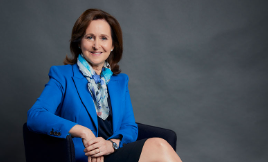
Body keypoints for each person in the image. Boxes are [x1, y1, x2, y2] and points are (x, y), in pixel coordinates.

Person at [27, 9, 182, 162]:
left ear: (113, 45)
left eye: (103, 38)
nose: (96, 45)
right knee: (159, 146)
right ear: (79, 42)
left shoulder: (120, 81)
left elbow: (130, 127)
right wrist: (83, 132)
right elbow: (35, 116)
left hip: (114, 153)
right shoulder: (63, 76)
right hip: (85, 157)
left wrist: (111, 145)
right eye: (89, 37)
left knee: (159, 146)